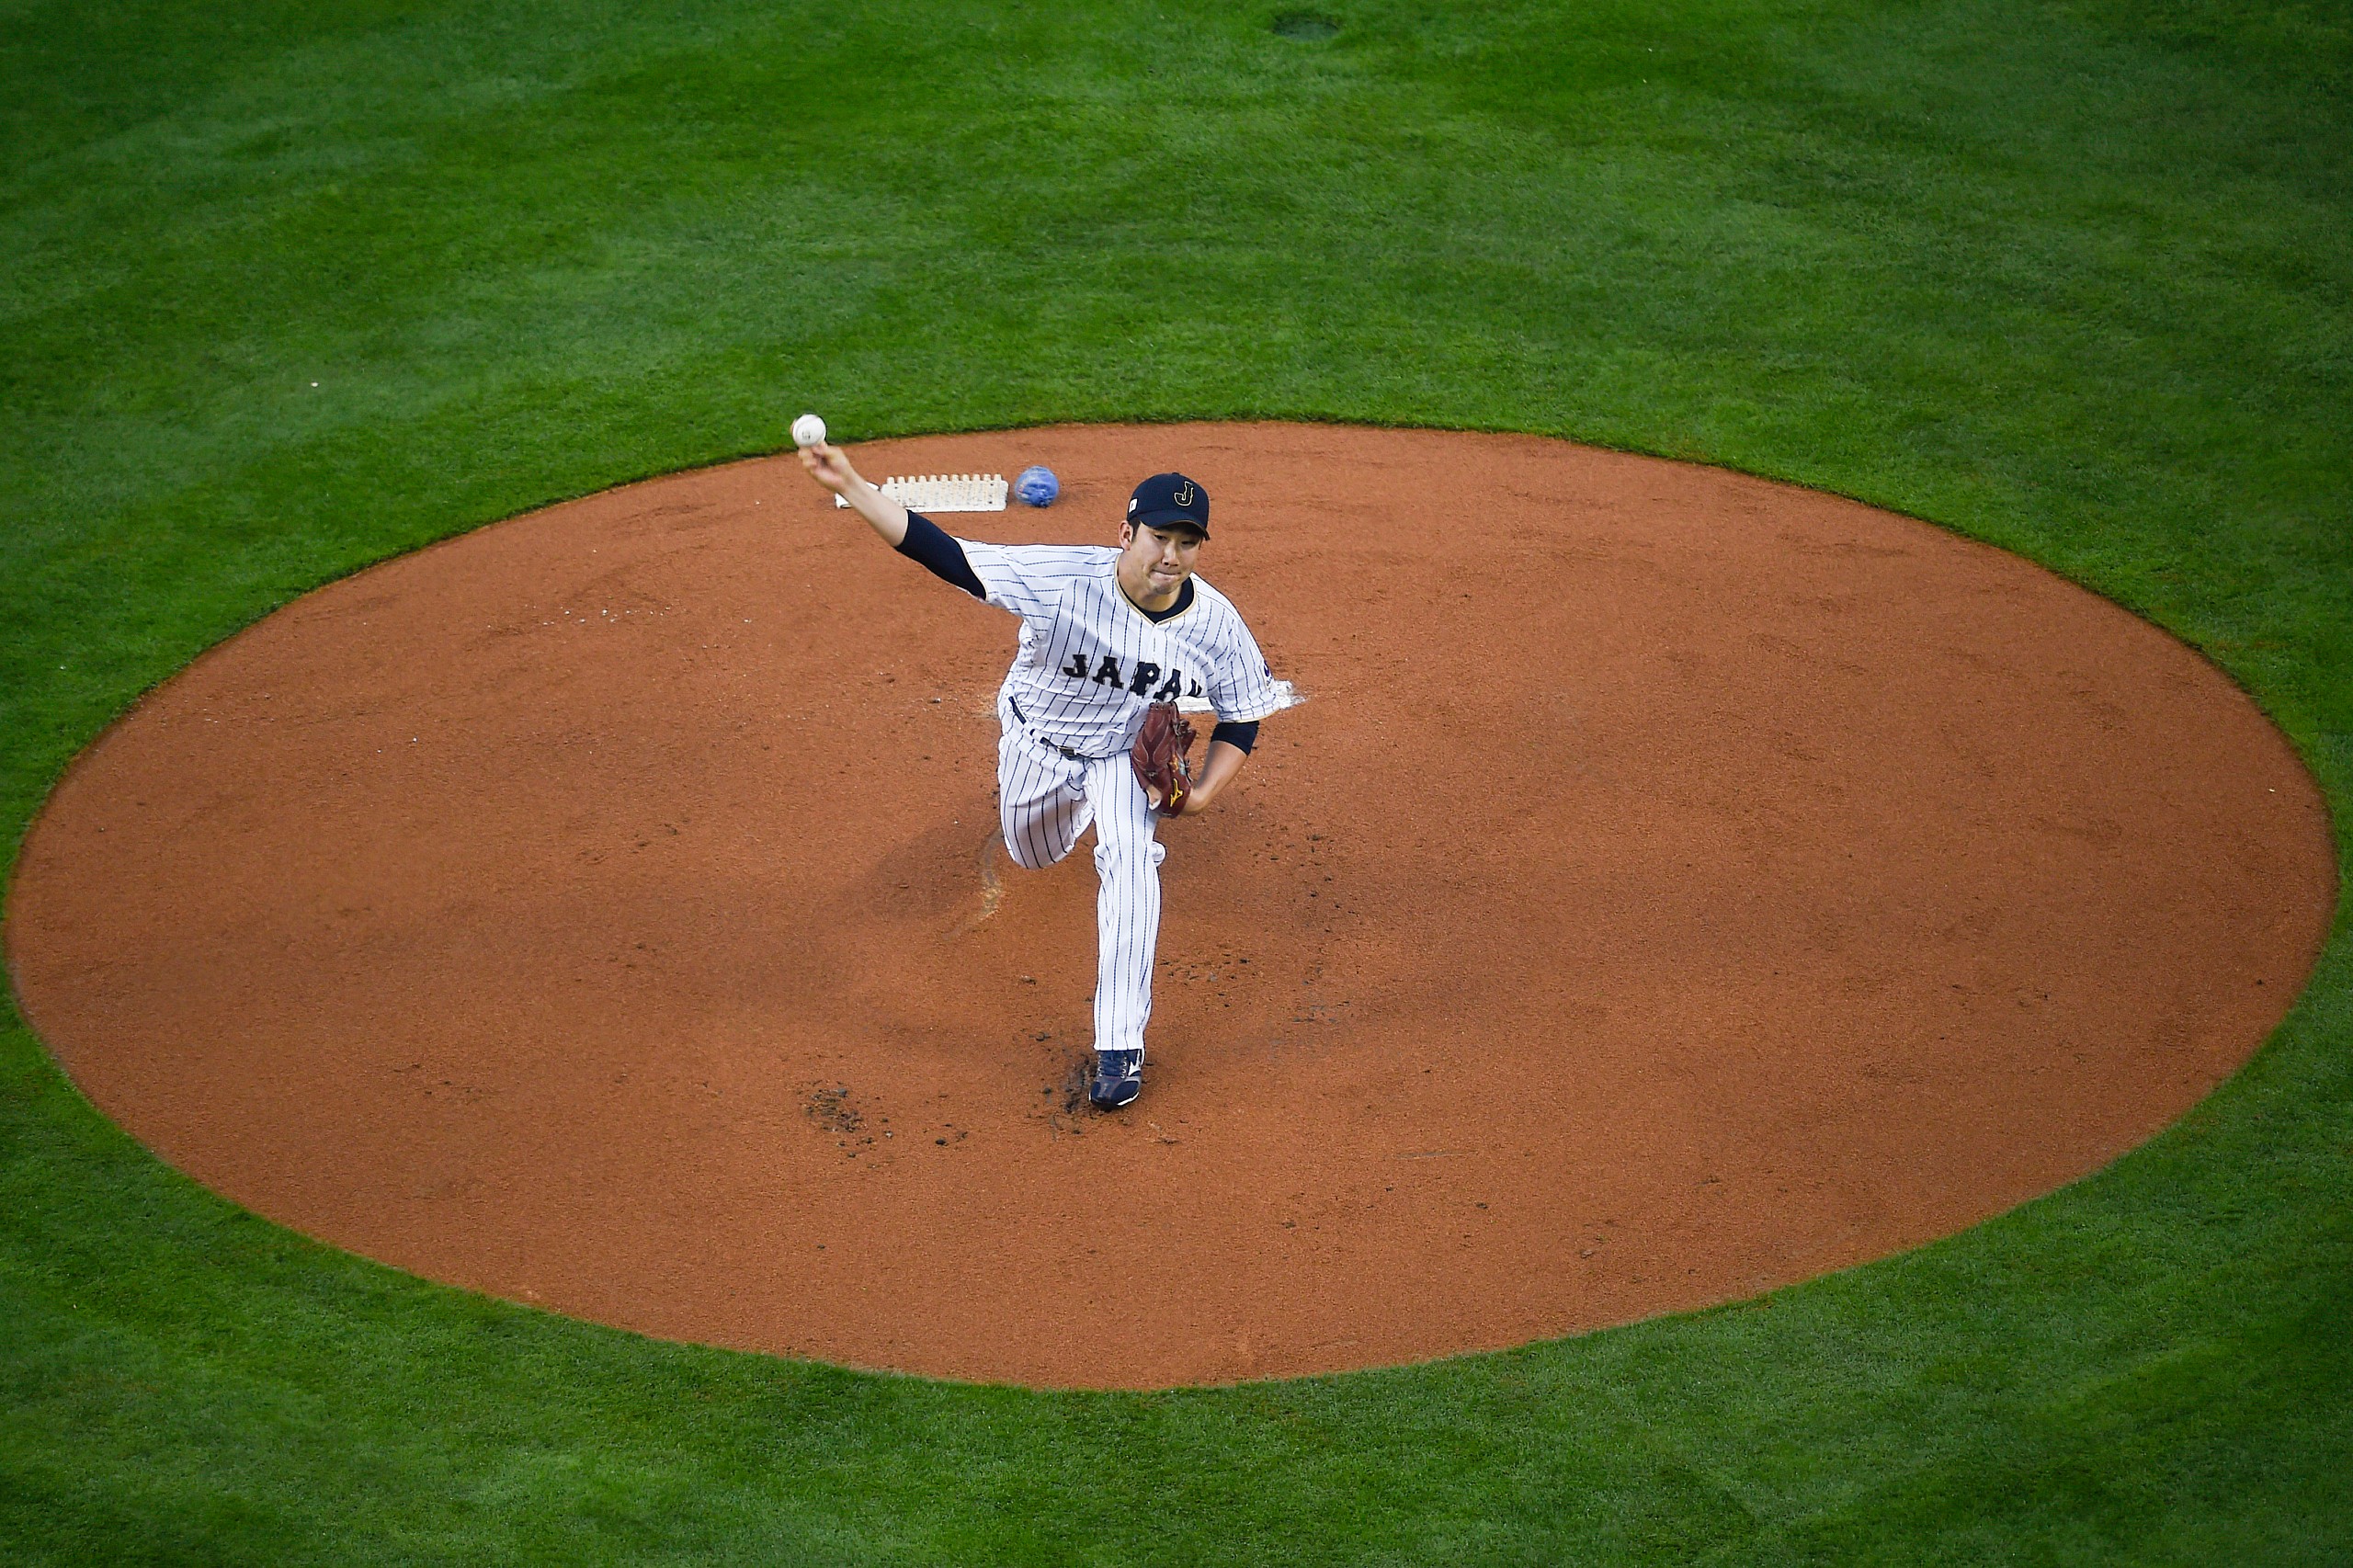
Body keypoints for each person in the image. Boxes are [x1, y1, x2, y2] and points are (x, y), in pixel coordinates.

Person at [798, 442, 1288, 1108]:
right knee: (1034, 852)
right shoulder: (1063, 578)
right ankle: (1065, 812)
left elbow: (1243, 716)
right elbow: (946, 554)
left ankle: (1121, 1047)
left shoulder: (1214, 624)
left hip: (1122, 758)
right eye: (1158, 537)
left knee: (1131, 859)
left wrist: (1199, 796)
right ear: (1126, 533)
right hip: (1038, 741)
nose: (1171, 555)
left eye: (1188, 542)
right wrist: (852, 483)